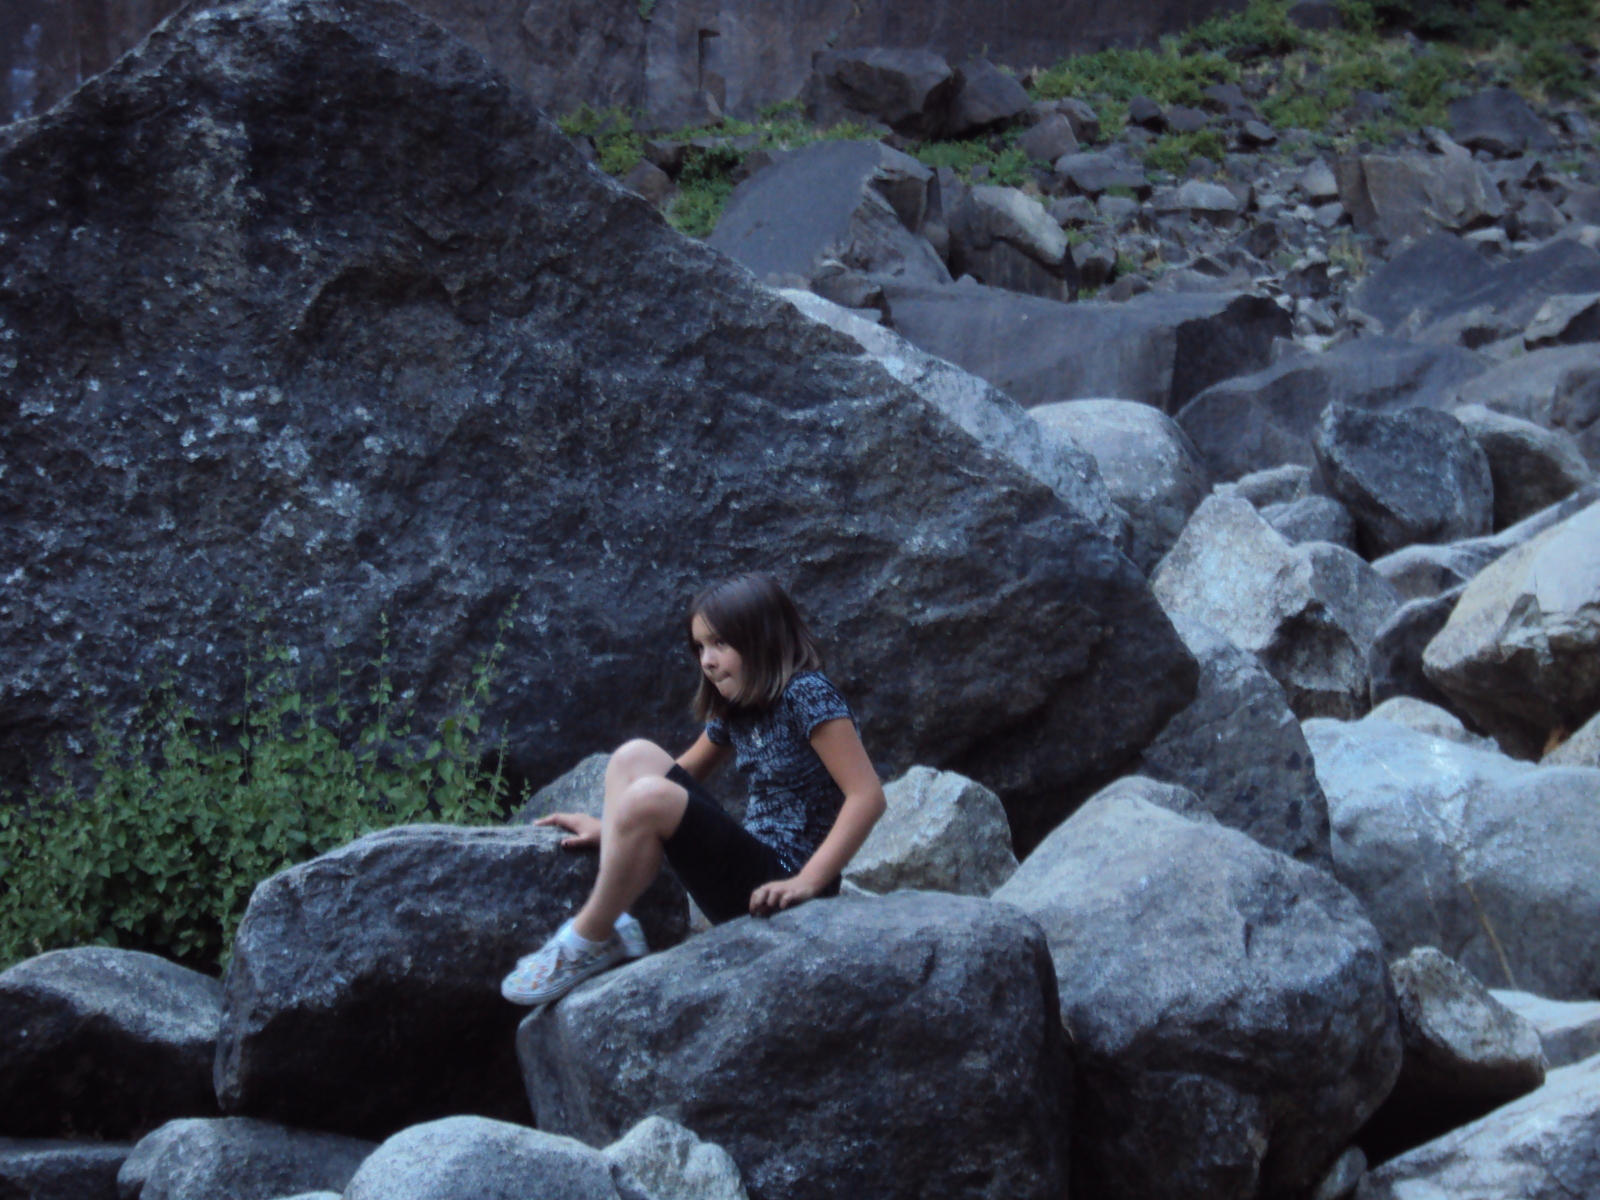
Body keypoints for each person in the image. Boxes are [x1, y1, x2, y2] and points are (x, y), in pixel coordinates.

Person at [501, 572, 886, 1006]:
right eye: (700, 647)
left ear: (763, 637)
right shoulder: (738, 707)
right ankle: (618, 917)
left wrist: (808, 882)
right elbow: (683, 771)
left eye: (720, 643)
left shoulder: (807, 694)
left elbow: (867, 796)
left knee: (651, 796)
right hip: (749, 871)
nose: (707, 660)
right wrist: (613, 826)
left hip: (783, 885)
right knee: (633, 757)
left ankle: (588, 938)